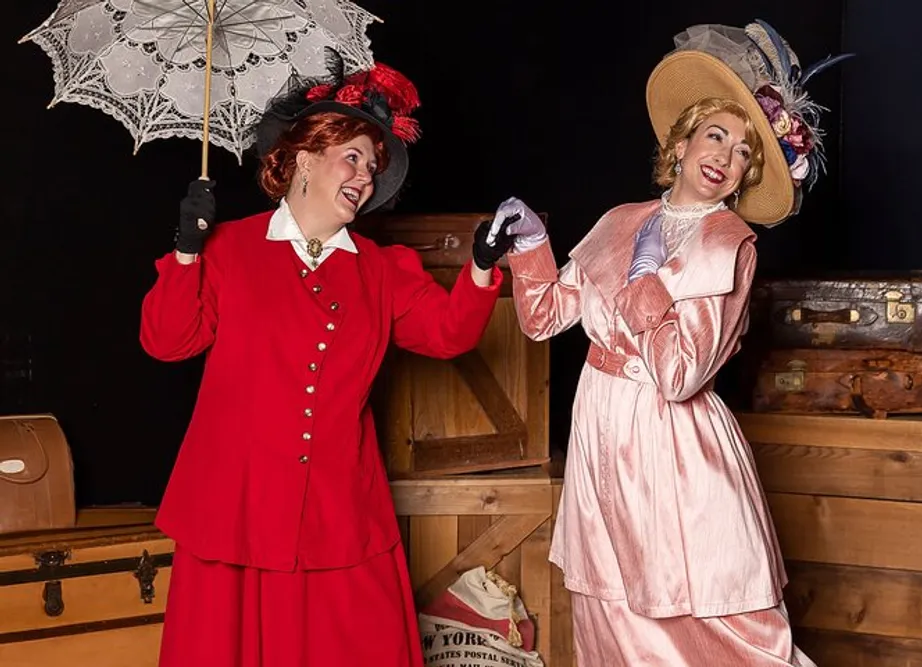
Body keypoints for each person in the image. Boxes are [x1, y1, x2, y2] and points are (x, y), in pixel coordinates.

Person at [486, 21, 851, 666]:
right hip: (600, 431)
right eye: (717, 135)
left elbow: (681, 376)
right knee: (612, 611)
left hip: (673, 447)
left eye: (744, 151)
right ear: (681, 143)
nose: (726, 157)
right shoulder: (618, 222)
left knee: (703, 617)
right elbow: (544, 318)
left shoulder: (729, 246)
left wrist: (648, 282)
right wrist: (533, 243)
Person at [139, 48, 516, 667]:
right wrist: (186, 253)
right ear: (305, 159)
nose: (366, 175)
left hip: (340, 509)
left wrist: (481, 265)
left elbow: (447, 333)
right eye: (353, 157)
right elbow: (167, 341)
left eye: (372, 165)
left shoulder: (381, 268)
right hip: (236, 503)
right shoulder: (228, 248)